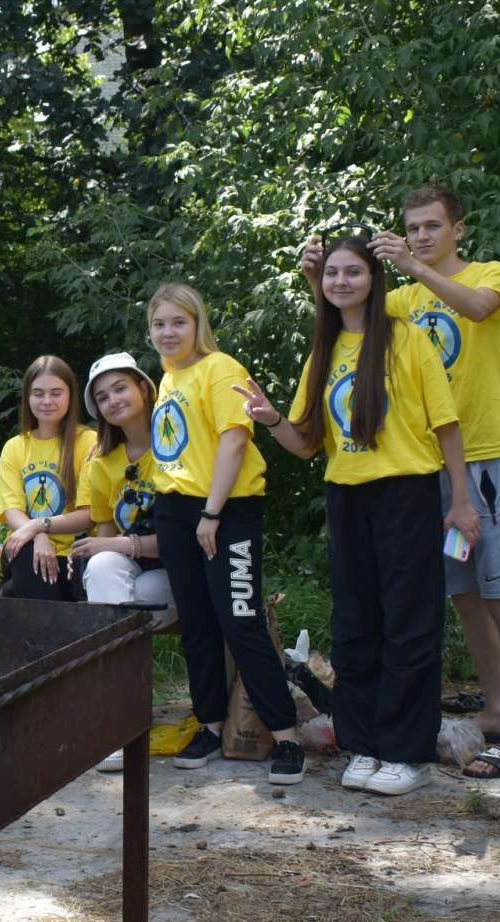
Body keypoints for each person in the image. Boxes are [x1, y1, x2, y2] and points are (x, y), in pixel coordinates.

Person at [238, 233, 480, 796]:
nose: (341, 282)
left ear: (374, 280)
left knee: (409, 624)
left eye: (353, 272)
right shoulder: (322, 353)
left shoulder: (408, 341)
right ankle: (365, 743)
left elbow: (447, 426)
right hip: (346, 498)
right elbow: (305, 444)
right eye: (332, 274)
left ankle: (405, 752)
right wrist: (272, 418)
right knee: (355, 625)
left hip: (407, 494)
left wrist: (462, 500)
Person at [370, 186, 500, 779]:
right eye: (412, 228)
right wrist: (323, 273)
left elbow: (475, 308)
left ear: (458, 229)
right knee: (466, 592)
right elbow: (355, 314)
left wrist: (414, 269)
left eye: (431, 226)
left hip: (489, 461)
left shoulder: (489, 273)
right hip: (437, 469)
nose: (420, 236)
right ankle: (497, 711)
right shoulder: (403, 298)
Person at [145, 284, 305, 784]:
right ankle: (211, 725)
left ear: (199, 324)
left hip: (225, 510)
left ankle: (286, 737)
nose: (168, 333)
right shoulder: (169, 378)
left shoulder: (221, 368)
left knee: (241, 621)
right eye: (159, 324)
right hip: (173, 511)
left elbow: (234, 444)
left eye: (178, 322)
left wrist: (211, 515)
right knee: (197, 625)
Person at [71, 353, 174, 773]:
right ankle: (118, 721)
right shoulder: (101, 463)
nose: (113, 400)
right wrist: (109, 549)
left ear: (144, 389)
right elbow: (104, 535)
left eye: (120, 388)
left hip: (179, 575)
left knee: (133, 590)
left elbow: (179, 541)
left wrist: (121, 545)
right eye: (102, 396)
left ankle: (119, 714)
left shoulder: (175, 444)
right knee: (102, 570)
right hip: (139, 583)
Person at [0, 355, 96, 601]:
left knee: (20, 592)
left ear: (71, 395)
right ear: (27, 398)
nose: (47, 401)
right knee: (25, 552)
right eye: (38, 393)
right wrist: (37, 534)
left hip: (72, 555)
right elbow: (11, 511)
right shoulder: (15, 447)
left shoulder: (89, 442)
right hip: (26, 549)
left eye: (56, 393)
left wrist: (40, 525)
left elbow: (88, 515)